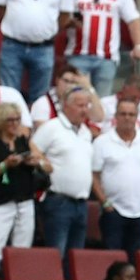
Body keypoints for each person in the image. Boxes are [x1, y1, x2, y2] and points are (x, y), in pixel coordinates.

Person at [62, 0, 140, 100]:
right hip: (78, 55)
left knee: (103, 102)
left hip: (107, 57)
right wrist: (70, 23)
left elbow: (133, 19)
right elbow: (61, 20)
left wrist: (138, 46)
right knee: (76, 100)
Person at [90, 96, 140, 253]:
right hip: (113, 211)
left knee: (136, 259)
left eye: (131, 114)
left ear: (137, 117)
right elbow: (94, 175)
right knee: (112, 257)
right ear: (115, 117)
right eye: (123, 114)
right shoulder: (102, 142)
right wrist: (105, 203)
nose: (127, 118)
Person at [31, 83, 95, 253]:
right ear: (66, 105)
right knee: (56, 252)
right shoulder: (52, 127)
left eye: (86, 105)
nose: (84, 110)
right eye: (80, 105)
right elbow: (32, 149)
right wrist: (44, 163)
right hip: (58, 201)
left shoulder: (86, 133)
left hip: (81, 203)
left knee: (77, 256)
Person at [0, 102, 48, 258]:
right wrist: (4, 165)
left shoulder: (25, 142)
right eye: (10, 120)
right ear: (1, 122)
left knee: (22, 251)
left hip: (25, 201)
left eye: (17, 119)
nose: (15, 124)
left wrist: (37, 162)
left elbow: (49, 166)